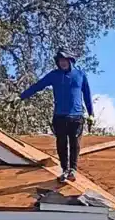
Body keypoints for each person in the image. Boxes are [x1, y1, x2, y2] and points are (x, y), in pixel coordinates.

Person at [20, 50, 94, 182]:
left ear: (70, 61)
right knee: (61, 144)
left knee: (74, 143)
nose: (62, 63)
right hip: (59, 116)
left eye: (65, 60)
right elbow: (38, 86)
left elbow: (87, 95)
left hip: (76, 116)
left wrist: (91, 114)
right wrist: (21, 97)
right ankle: (65, 170)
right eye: (60, 61)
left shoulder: (80, 74)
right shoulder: (54, 75)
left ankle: (73, 170)